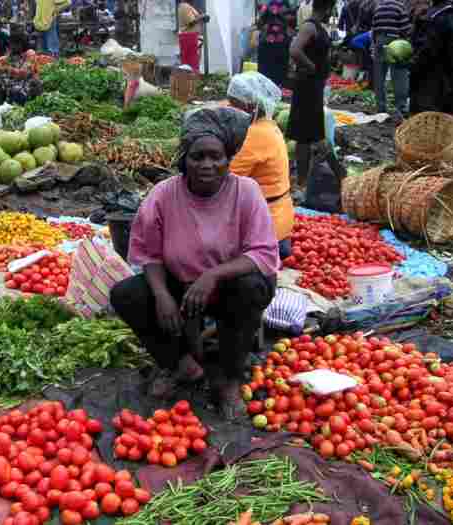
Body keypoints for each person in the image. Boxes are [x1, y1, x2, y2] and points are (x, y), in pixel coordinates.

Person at [109, 107, 278, 415]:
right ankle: (180, 364)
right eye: (197, 157)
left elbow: (263, 253)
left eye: (216, 157)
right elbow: (148, 252)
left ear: (229, 159)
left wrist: (212, 276)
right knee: (126, 294)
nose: (207, 165)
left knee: (250, 287)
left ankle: (228, 380)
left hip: (231, 286)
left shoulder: (247, 192)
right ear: (184, 160)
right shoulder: (163, 194)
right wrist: (162, 295)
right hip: (181, 283)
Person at [227, 72, 294, 260]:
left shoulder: (254, 135)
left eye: (234, 104)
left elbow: (225, 178)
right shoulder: (268, 125)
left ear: (249, 105)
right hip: (280, 220)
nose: (230, 108)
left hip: (266, 227)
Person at [287, 0, 334, 186]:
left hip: (313, 86)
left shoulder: (317, 27)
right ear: (328, 8)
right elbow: (295, 50)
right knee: (303, 135)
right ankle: (302, 180)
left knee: (311, 132)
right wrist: (312, 67)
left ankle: (307, 177)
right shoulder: (309, 26)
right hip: (306, 85)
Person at [410, 0, 453, 115]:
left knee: (430, 115)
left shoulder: (442, 16)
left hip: (434, 78)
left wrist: (414, 62)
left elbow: (429, 48)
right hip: (443, 76)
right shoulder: (440, 13)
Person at [371, 0, 411, 117]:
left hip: (379, 41)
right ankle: (401, 108)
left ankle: (381, 108)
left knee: (379, 76)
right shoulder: (399, 6)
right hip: (395, 41)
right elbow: (405, 29)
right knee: (399, 76)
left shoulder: (379, 8)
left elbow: (373, 30)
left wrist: (376, 44)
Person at [257, 0, 294, 88]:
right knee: (272, 78)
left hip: (276, 50)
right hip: (272, 50)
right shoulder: (272, 7)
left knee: (271, 78)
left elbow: (260, 24)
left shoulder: (282, 6)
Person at [177, 2, 209, 73]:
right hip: (188, 37)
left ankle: (193, 78)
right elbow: (190, 22)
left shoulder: (188, 6)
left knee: (194, 61)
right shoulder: (184, 6)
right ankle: (191, 79)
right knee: (191, 63)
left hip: (191, 37)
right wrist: (202, 17)